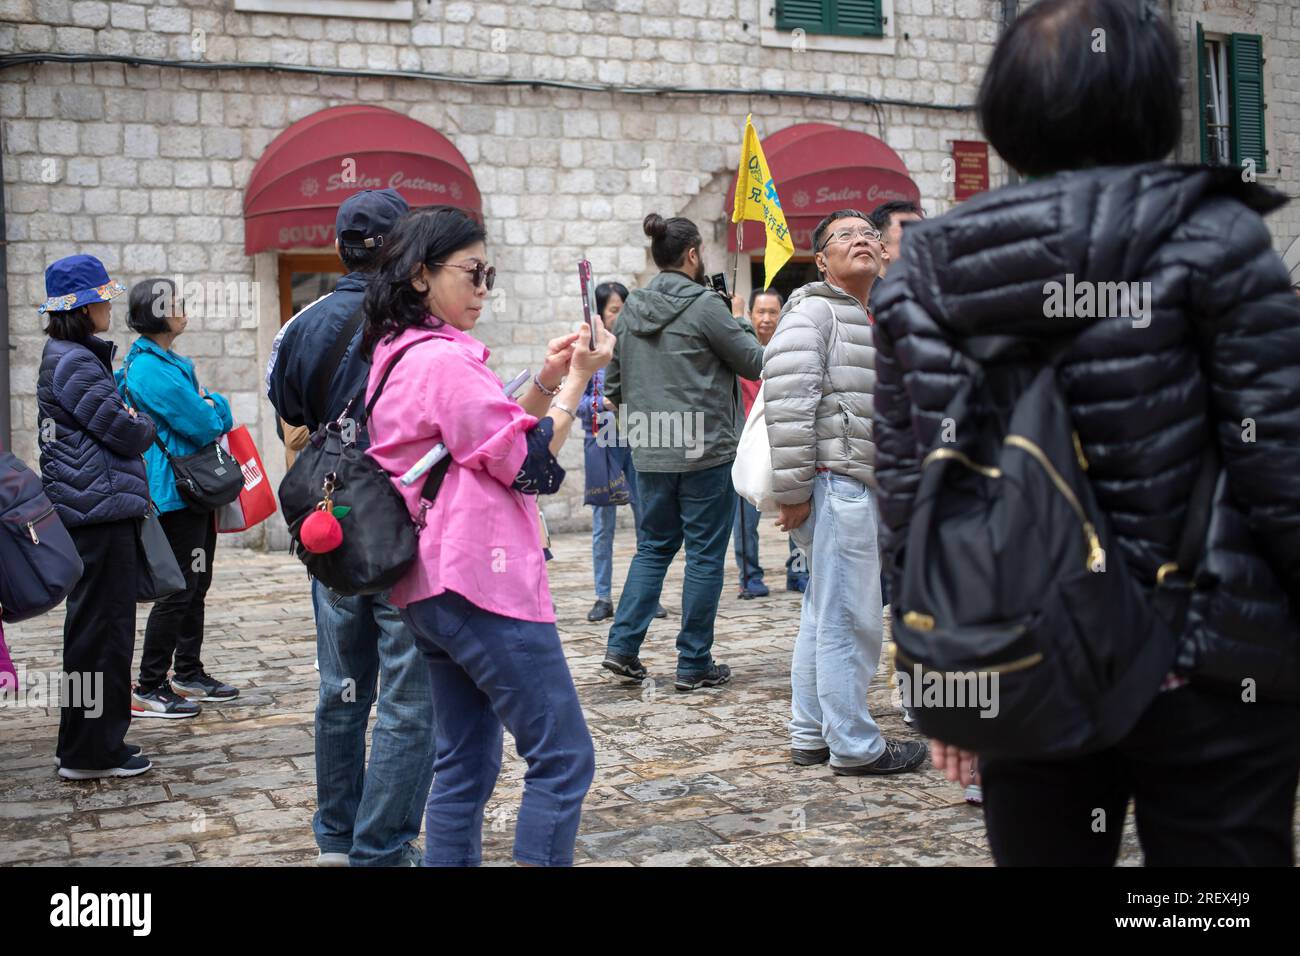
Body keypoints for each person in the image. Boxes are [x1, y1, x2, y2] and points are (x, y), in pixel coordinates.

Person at [873, 0, 1300, 865]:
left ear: (1006, 115)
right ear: (1155, 102)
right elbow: (1279, 466)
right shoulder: (1218, 237)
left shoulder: (924, 269)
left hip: (1022, 651)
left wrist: (946, 667)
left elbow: (913, 487)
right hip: (1211, 663)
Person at [362, 205, 613, 866]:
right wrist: (581, 382)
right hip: (480, 581)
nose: (483, 289)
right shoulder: (444, 361)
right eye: (473, 274)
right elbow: (530, 464)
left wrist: (549, 377)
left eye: (489, 275)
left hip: (428, 587)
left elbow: (486, 439)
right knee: (562, 758)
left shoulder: (397, 354)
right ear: (421, 276)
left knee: (466, 763)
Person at [267, 188, 437, 868]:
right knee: (406, 696)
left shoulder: (301, 325)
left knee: (341, 688)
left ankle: (337, 836)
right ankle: (385, 844)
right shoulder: (418, 325)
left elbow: (290, 415)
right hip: (403, 529)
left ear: (341, 248)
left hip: (331, 525)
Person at [764, 211, 927, 776]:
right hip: (839, 487)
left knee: (822, 614)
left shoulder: (865, 313)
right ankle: (854, 746)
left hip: (856, 487)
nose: (860, 240)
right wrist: (793, 493)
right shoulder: (812, 312)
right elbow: (788, 408)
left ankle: (809, 733)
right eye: (844, 237)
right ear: (823, 258)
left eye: (868, 235)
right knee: (849, 620)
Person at [601, 213, 765, 692]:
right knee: (705, 558)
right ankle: (693, 663)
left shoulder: (629, 311)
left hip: (649, 449)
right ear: (693, 254)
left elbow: (614, 386)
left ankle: (623, 648)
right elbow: (754, 361)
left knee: (652, 548)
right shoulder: (707, 306)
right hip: (706, 450)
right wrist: (736, 315)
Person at [36, 254, 156, 780]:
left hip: (94, 508)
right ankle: (92, 751)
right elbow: (124, 431)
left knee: (95, 630)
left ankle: (84, 746)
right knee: (102, 633)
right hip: (98, 512)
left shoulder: (71, 355)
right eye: (102, 297)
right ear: (84, 307)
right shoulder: (76, 362)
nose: (109, 304)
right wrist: (142, 422)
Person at [118, 278, 237, 719]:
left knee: (197, 584)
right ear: (155, 313)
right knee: (178, 589)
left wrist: (210, 405)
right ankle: (149, 684)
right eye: (174, 304)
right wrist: (216, 405)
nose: (183, 309)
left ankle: (187, 671)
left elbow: (205, 412)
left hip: (195, 489)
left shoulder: (169, 362)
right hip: (174, 494)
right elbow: (205, 422)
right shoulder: (149, 369)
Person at [578, 281, 666, 623]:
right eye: (615, 310)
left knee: (647, 520)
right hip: (602, 444)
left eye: (624, 309)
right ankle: (603, 596)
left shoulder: (639, 350)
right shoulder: (589, 353)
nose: (621, 315)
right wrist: (603, 403)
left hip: (637, 441)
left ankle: (647, 594)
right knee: (604, 525)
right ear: (600, 314)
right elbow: (576, 401)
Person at [729, 287, 807, 597]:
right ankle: (750, 577)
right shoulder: (736, 351)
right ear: (750, 315)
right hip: (746, 443)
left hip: (784, 440)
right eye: (760, 312)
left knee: (798, 509)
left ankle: (798, 572)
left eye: (773, 312)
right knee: (745, 517)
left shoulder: (792, 348)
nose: (766, 318)